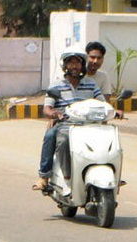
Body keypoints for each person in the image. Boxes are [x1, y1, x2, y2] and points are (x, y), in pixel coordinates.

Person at [32, 51, 105, 191]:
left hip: (88, 125)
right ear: (65, 65)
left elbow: (102, 102)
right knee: (52, 136)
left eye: (77, 62)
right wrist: (54, 113)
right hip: (65, 124)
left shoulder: (90, 84)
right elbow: (46, 108)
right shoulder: (56, 85)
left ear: (82, 66)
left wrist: (114, 110)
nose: (74, 66)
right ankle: (44, 176)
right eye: (71, 62)